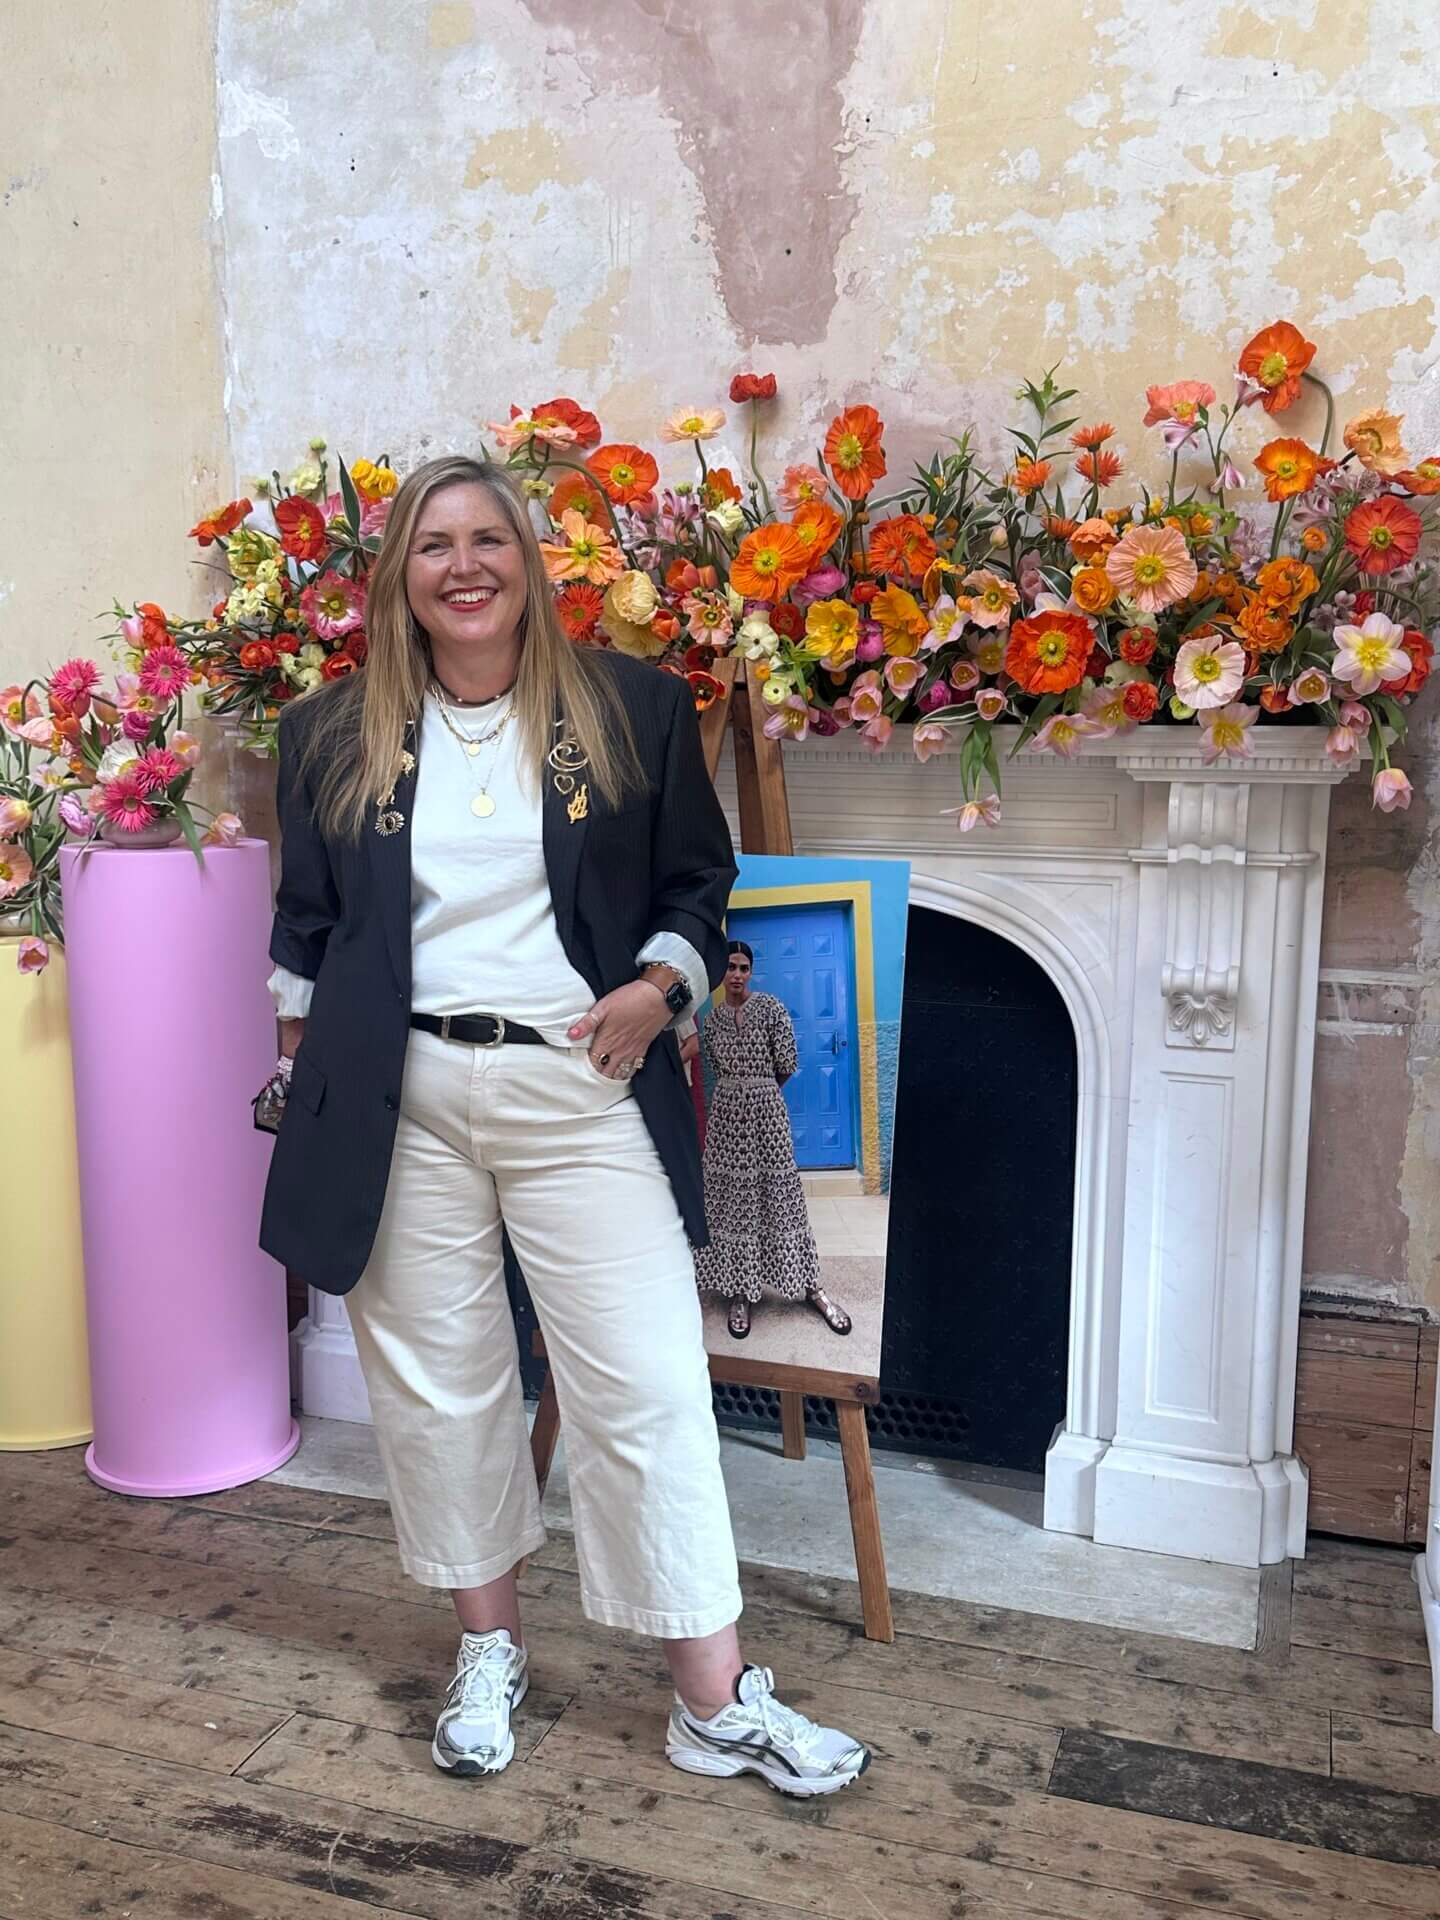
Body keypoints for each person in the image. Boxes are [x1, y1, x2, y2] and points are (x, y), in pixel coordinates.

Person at [259, 455, 868, 1795]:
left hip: (581, 1083)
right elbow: (306, 926)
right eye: (434, 544)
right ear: (400, 576)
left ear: (528, 561)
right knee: (442, 1390)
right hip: (400, 1095)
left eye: (488, 538)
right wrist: (299, 1076)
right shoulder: (329, 732)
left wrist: (660, 991)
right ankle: (488, 1649)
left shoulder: (630, 706)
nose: (464, 565)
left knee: (646, 1387)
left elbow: (700, 883)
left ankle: (712, 1698)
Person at [693, 941, 854, 1341]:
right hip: (727, 1119)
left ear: (751, 972)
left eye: (743, 967)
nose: (737, 975)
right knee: (732, 1202)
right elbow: (714, 1067)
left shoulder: (771, 1009)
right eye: (730, 967)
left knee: (782, 1196)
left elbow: (786, 1063)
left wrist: (760, 1092)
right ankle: (740, 1291)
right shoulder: (712, 1022)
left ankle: (810, 1286)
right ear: (720, 972)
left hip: (768, 1115)